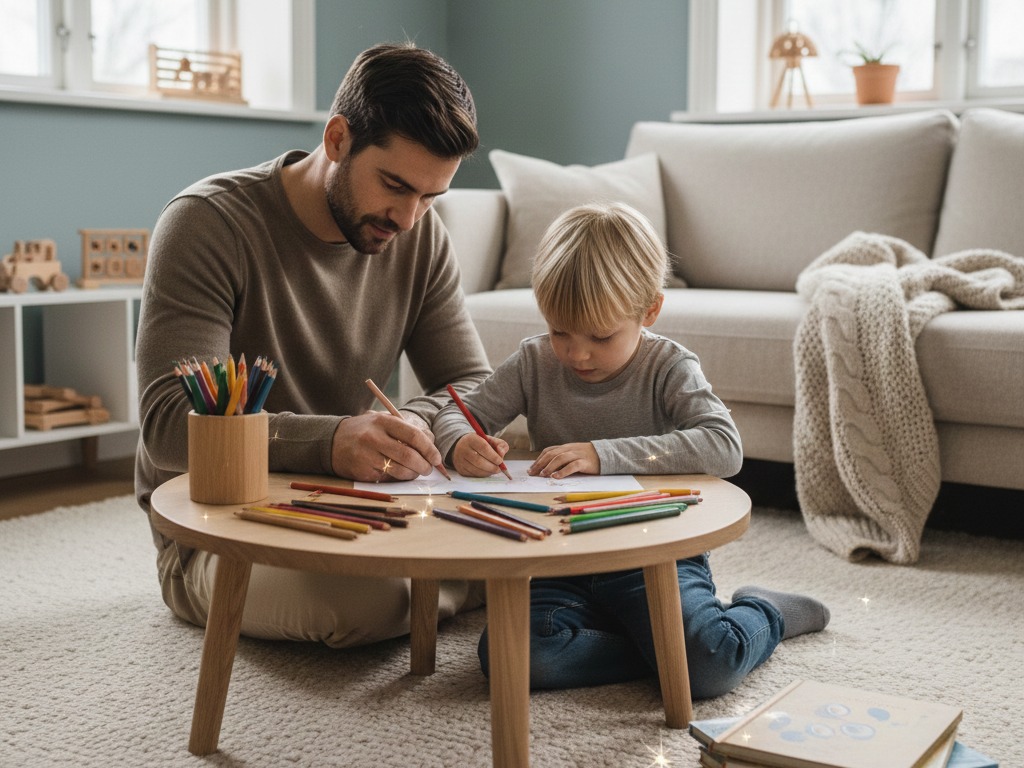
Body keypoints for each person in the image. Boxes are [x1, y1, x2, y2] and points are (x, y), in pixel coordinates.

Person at [135, 42, 493, 648]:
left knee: (542, 521)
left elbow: (474, 387)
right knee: (363, 600)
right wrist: (331, 442)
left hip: (360, 506)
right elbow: (169, 424)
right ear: (336, 140)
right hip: (224, 528)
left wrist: (409, 421)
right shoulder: (206, 223)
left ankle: (456, 574)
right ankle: (467, 580)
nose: (408, 218)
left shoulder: (419, 235)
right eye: (395, 186)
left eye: (431, 197)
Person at [432, 202, 830, 697]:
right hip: (562, 557)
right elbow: (453, 414)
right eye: (560, 330)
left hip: (655, 556)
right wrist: (460, 442)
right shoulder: (534, 361)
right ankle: (660, 648)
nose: (576, 353)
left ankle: (763, 612)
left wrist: (602, 454)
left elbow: (724, 447)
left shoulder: (668, 366)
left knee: (711, 669)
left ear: (649, 311)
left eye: (600, 336)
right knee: (511, 658)